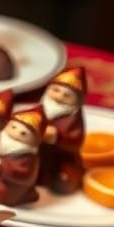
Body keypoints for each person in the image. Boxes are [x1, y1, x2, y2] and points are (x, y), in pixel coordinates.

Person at [0, 107, 46, 206]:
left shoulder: (28, 155)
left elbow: (25, 174)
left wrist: (2, 166)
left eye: (24, 133)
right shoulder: (0, 139)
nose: (17, 133)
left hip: (7, 185)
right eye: (13, 127)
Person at [39, 66, 87, 194]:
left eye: (67, 95)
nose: (60, 96)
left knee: (64, 182)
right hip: (36, 156)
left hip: (62, 159)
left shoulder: (73, 118)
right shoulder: (38, 111)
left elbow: (76, 140)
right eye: (56, 90)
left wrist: (58, 137)